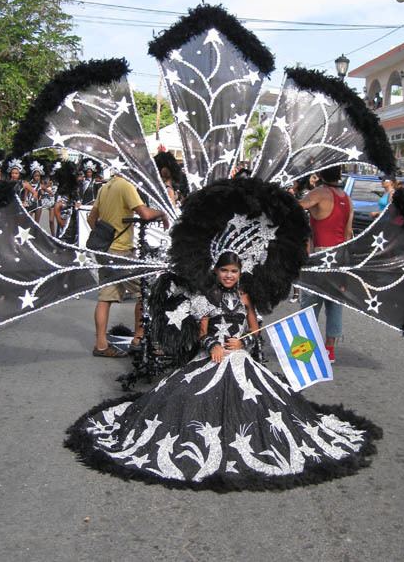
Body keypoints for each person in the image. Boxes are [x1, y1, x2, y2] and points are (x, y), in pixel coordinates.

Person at [65, 251, 381, 489]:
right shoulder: (206, 297)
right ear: (216, 271)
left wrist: (243, 345)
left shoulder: (246, 296)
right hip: (212, 356)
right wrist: (212, 346)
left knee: (259, 400)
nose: (229, 276)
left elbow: (255, 330)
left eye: (234, 271)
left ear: (240, 272)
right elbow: (202, 331)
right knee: (191, 394)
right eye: (224, 271)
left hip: (240, 356)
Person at [88, 174, 168, 357]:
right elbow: (145, 214)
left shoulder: (105, 188)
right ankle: (138, 340)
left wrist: (104, 234)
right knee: (145, 291)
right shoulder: (126, 186)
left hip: (105, 250)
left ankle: (101, 345)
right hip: (121, 251)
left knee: (105, 298)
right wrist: (162, 213)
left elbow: (92, 219)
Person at [298, 166, 353, 362]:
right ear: (339, 175)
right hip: (340, 256)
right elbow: (348, 234)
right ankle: (329, 351)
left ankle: (303, 352)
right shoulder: (346, 198)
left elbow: (296, 207)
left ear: (320, 174)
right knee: (334, 304)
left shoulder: (319, 193)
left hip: (321, 254)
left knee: (309, 303)